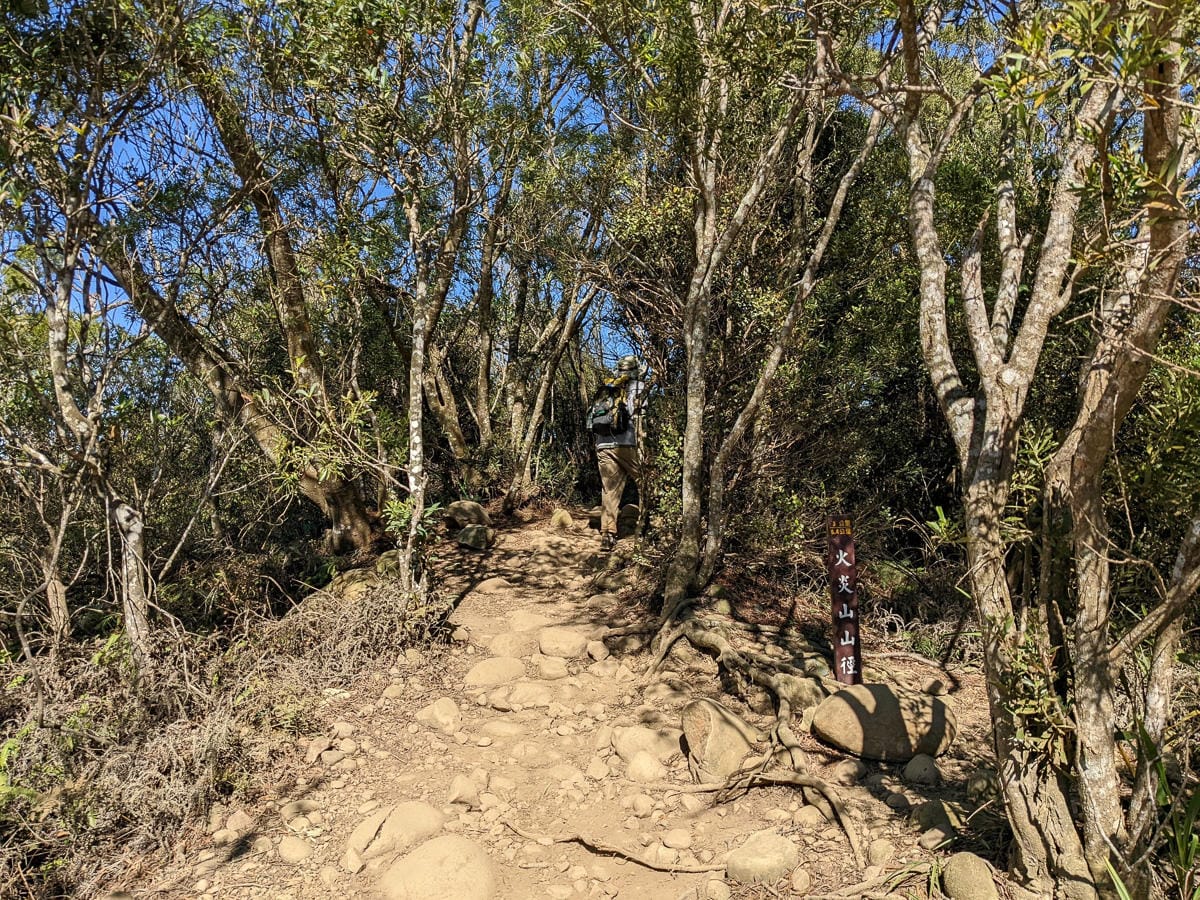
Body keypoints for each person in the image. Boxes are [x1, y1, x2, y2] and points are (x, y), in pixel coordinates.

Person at [594, 355, 646, 551]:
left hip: (603, 445)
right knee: (646, 483)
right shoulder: (639, 388)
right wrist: (643, 446)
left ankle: (607, 535)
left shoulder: (606, 389)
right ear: (635, 370)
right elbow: (641, 420)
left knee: (609, 490)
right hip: (628, 444)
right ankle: (646, 527)